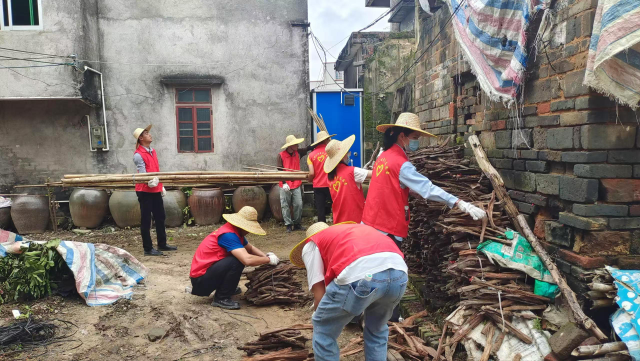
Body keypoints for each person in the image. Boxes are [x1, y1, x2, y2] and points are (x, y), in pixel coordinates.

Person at [362, 113, 487, 249]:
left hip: (370, 221)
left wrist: (407, 190)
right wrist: (459, 202)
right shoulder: (401, 164)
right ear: (402, 136)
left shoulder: (383, 156)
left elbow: (388, 183)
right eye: (415, 138)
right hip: (386, 227)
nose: (417, 142)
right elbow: (427, 188)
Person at [289, 222, 408, 361]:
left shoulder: (310, 246)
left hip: (361, 275)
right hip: (399, 274)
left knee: (323, 330)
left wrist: (323, 316)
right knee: (377, 329)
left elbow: (319, 295)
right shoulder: (349, 233)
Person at [189, 206, 279, 310]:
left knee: (238, 257)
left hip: (206, 275)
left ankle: (226, 288)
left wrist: (266, 256)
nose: (249, 231)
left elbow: (250, 248)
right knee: (236, 261)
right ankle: (221, 298)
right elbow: (247, 259)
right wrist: (268, 260)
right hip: (201, 281)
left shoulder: (234, 232)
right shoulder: (228, 235)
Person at [133, 125, 177, 256]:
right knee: (146, 219)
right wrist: (150, 182)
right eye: (146, 133)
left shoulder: (153, 151)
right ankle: (148, 248)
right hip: (145, 190)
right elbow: (143, 175)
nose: (150, 135)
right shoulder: (138, 155)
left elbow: (155, 170)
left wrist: (160, 185)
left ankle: (162, 244)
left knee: (160, 217)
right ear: (141, 138)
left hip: (155, 188)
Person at [322, 135, 372, 224]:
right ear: (343, 156)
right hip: (355, 219)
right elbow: (374, 174)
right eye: (347, 152)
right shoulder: (352, 171)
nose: (349, 154)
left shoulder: (330, 177)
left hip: (339, 219)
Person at [277, 134, 309, 232]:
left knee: (298, 204)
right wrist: (284, 182)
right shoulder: (281, 155)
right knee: (285, 205)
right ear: (290, 146)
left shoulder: (298, 153)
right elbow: (279, 170)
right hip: (285, 184)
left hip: (296, 183)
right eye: (295, 144)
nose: (297, 146)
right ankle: (288, 224)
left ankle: (297, 223)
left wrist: (318, 143)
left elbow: (308, 148)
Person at [307, 130, 335, 224]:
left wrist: (310, 180)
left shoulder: (311, 155)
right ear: (327, 140)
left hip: (318, 186)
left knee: (320, 209)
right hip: (331, 184)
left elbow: (311, 173)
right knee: (335, 206)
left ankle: (322, 229)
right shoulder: (331, 153)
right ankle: (337, 225)